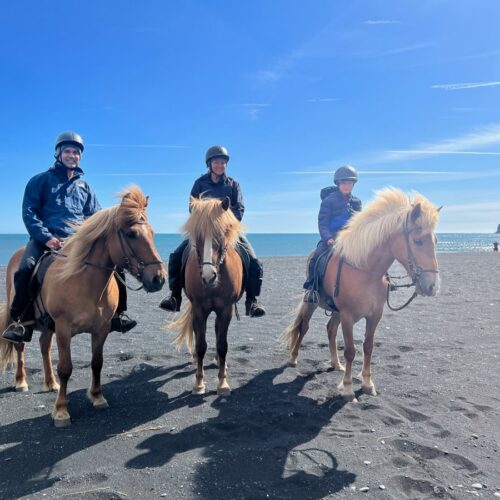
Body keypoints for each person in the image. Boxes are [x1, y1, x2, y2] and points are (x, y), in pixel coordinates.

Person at [2, 131, 137, 343]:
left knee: (116, 265)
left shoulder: (85, 188)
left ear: (80, 157)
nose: (72, 155)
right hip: (44, 241)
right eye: (67, 151)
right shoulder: (40, 181)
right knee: (25, 268)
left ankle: (119, 315)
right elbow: (29, 212)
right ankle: (20, 322)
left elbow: (96, 217)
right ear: (58, 154)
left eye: (76, 152)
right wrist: (46, 237)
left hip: (77, 242)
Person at [159, 145, 265, 317]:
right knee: (177, 256)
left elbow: (239, 209)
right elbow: (192, 207)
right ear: (209, 164)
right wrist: (204, 222)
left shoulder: (233, 185)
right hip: (202, 231)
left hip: (227, 232)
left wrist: (226, 225)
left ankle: (252, 301)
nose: (220, 165)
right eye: (216, 162)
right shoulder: (199, 184)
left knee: (253, 260)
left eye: (223, 162)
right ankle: (175, 296)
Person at [303, 164, 362, 302]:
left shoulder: (357, 202)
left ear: (353, 184)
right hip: (332, 239)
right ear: (338, 183)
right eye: (343, 182)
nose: (346, 185)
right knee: (316, 257)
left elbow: (359, 223)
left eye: (349, 182)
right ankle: (313, 288)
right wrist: (328, 238)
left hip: (351, 240)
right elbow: (322, 223)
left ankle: (384, 281)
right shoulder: (329, 201)